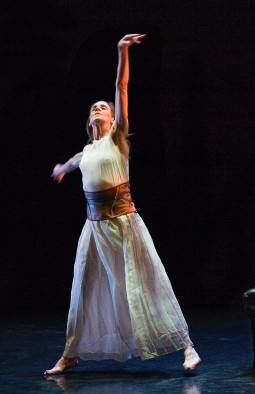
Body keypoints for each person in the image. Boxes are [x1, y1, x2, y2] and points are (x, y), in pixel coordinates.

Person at [44, 33, 201, 375]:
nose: (100, 108)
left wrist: (121, 50)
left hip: (125, 224)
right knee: (82, 291)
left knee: (148, 284)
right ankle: (69, 355)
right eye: (94, 108)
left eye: (105, 107)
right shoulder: (85, 152)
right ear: (90, 122)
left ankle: (187, 347)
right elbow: (67, 166)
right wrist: (58, 171)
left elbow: (122, 87)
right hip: (94, 230)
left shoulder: (118, 141)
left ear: (114, 120)